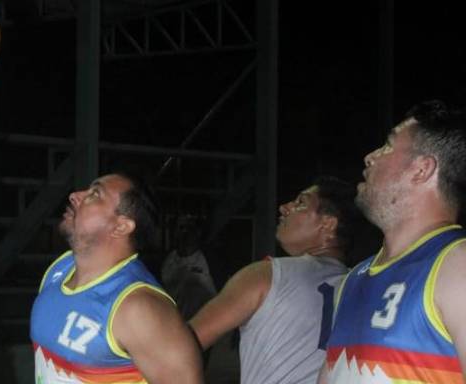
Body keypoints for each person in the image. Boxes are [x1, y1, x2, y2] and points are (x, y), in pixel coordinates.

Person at [320, 101, 466, 383]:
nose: (370, 157)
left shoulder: (456, 266)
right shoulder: (354, 280)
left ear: (422, 169)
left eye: (387, 146)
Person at [30, 173, 204, 384]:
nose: (75, 195)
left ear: (121, 226)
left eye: (95, 194)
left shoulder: (138, 307)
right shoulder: (60, 269)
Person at [190, 176, 359, 383]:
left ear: (327, 224)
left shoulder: (268, 275)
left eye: (300, 203)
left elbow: (180, 346)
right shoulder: (362, 286)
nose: (284, 207)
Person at [160, 214, 217, 320]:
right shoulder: (167, 260)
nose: (185, 232)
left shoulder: (210, 261)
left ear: (198, 232)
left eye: (190, 227)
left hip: (203, 324)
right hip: (173, 323)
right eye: (181, 228)